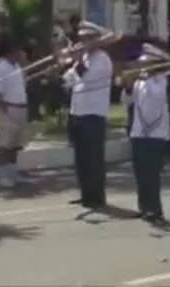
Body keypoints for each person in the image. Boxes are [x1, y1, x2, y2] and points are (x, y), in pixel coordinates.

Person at [62, 21, 113, 209]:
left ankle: (97, 196)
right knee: (81, 158)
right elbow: (67, 80)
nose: (83, 42)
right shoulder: (83, 59)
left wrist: (78, 60)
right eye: (82, 39)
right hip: (78, 112)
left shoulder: (102, 59)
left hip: (94, 113)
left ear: (96, 39)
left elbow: (87, 77)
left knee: (94, 158)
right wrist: (66, 64)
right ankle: (85, 194)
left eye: (87, 39)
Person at [123, 43, 170, 223]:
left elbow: (157, 97)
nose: (141, 68)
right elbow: (128, 102)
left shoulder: (161, 81)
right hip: (139, 132)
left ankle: (155, 209)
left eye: (145, 65)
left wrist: (142, 77)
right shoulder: (139, 82)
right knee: (140, 173)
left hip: (156, 133)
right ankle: (143, 207)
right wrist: (128, 86)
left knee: (152, 174)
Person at [0, 37, 32, 188]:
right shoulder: (2, 66)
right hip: (9, 108)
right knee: (5, 144)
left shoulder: (17, 66)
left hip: (20, 108)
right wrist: (2, 107)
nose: (22, 52)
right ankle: (4, 175)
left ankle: (12, 173)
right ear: (11, 50)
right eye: (19, 50)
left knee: (15, 144)